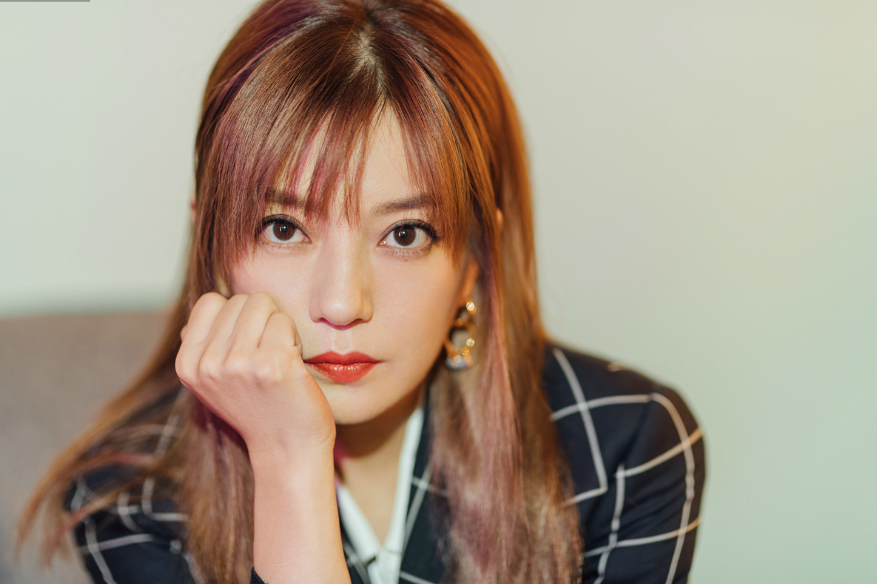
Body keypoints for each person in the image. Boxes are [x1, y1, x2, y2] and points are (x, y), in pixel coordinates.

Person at [18, 0, 706, 583]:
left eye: (405, 234)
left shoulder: (622, 446)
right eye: (284, 228)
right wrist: (288, 462)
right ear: (212, 245)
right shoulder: (132, 498)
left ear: (475, 258)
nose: (343, 303)